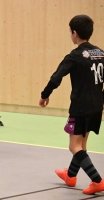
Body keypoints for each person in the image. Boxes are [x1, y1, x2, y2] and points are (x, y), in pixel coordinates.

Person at [39, 15, 104, 194]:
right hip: (97, 106)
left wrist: (45, 95)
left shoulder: (74, 56)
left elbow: (57, 77)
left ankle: (97, 180)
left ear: (74, 33)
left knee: (74, 146)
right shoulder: (101, 53)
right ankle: (71, 175)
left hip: (80, 106)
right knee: (82, 145)